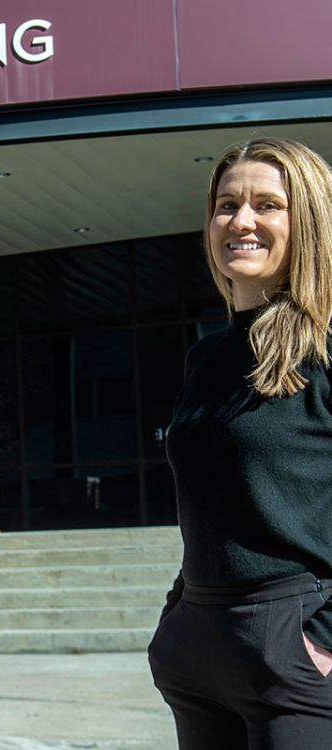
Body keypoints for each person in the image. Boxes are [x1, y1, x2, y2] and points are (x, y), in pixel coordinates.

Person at [148, 137, 332, 748]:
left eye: (267, 205)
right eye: (227, 205)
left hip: (291, 643)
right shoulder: (207, 355)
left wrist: (324, 637)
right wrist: (176, 615)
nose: (241, 221)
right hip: (197, 643)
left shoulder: (326, 348)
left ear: (306, 219)